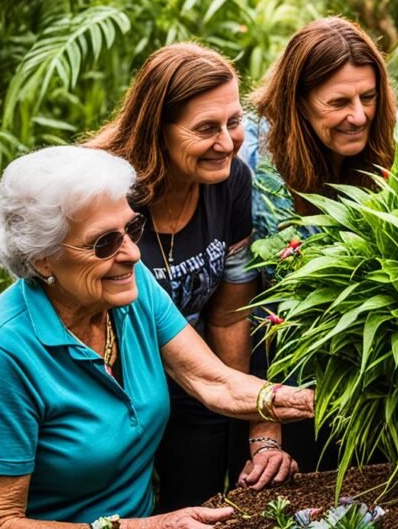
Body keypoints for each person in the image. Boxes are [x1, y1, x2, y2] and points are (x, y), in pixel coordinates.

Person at [0, 146, 314, 529]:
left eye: (132, 229)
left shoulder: (129, 290)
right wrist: (153, 527)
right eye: (104, 243)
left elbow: (213, 381)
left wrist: (316, 402)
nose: (133, 254)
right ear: (43, 257)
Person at [87, 42, 295, 508]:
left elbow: (228, 314)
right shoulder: (101, 188)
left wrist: (245, 412)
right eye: (206, 128)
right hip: (110, 385)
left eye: (234, 122)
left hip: (195, 373)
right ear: (158, 128)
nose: (227, 142)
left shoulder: (231, 181)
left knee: (200, 505)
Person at [242, 16, 396, 469]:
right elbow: (240, 307)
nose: (359, 115)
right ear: (298, 102)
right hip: (272, 387)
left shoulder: (381, 151)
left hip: (358, 388)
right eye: (339, 102)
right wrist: (264, 431)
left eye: (368, 97)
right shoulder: (252, 167)